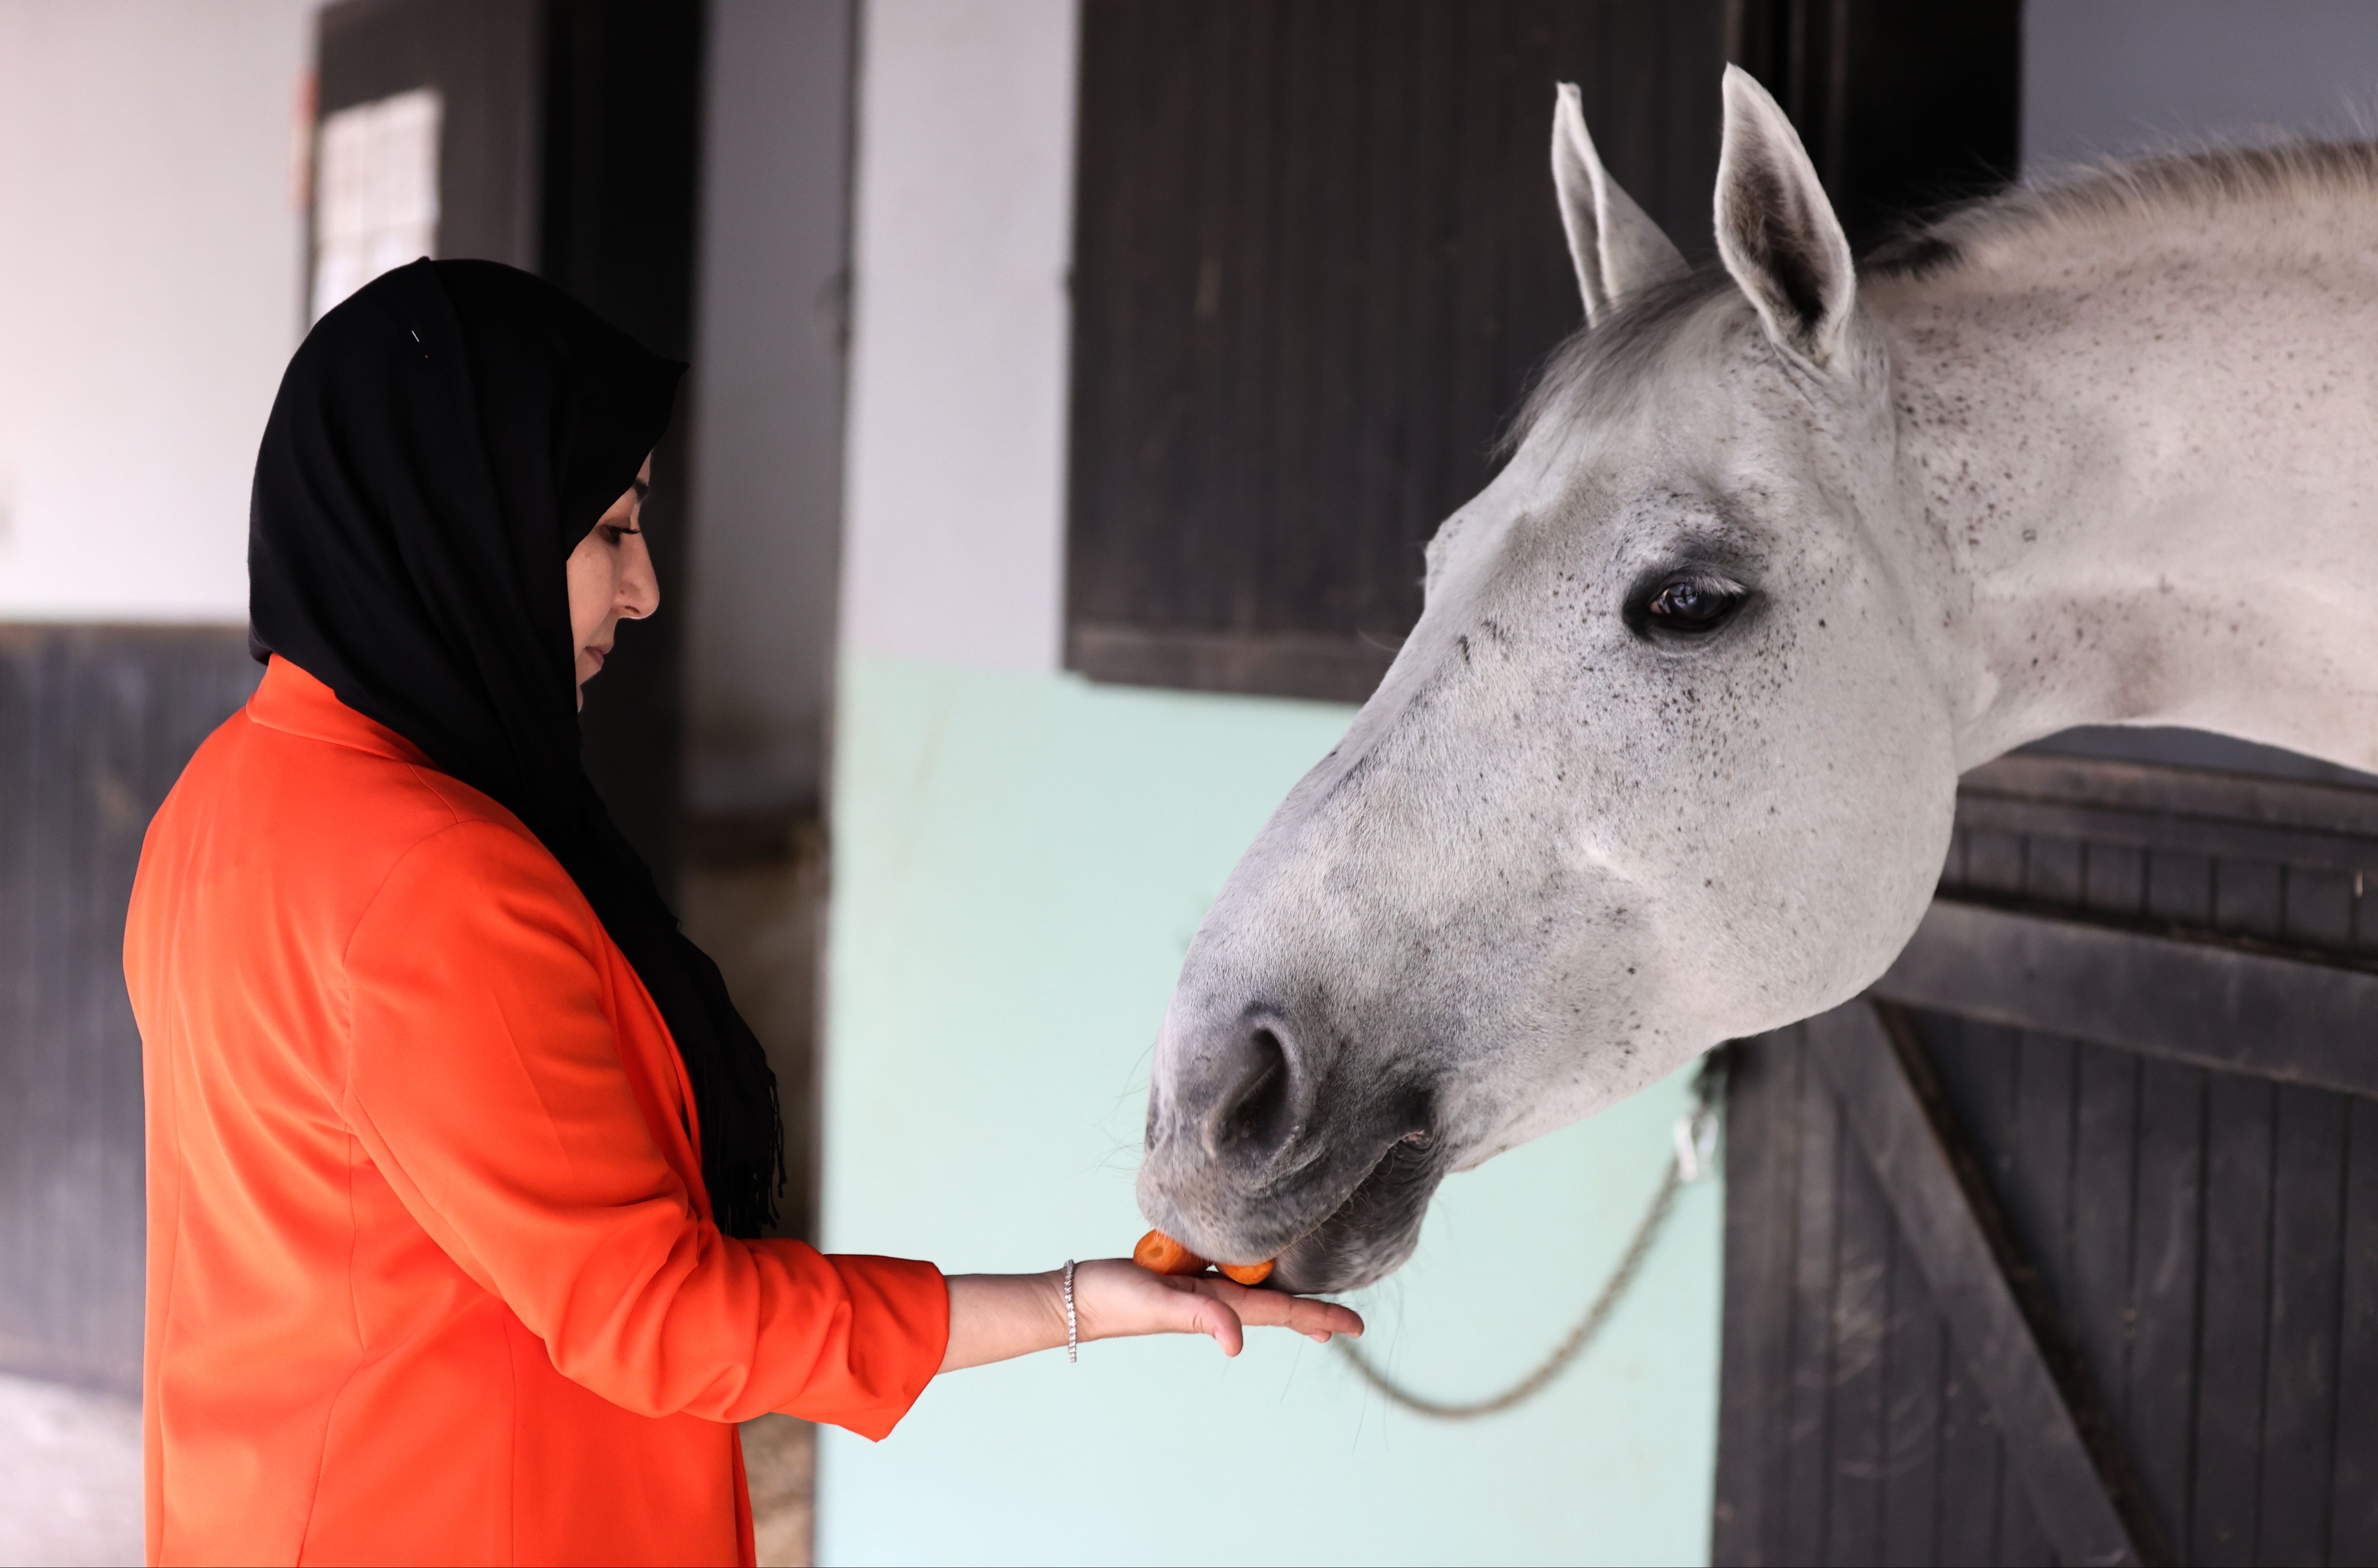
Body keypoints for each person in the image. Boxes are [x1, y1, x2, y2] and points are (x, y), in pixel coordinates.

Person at [123, 259, 1358, 1567]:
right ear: (461, 529)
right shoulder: (434, 880)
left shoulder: (221, 801)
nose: (644, 590)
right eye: (608, 532)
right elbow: (659, 1319)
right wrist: (1069, 1307)